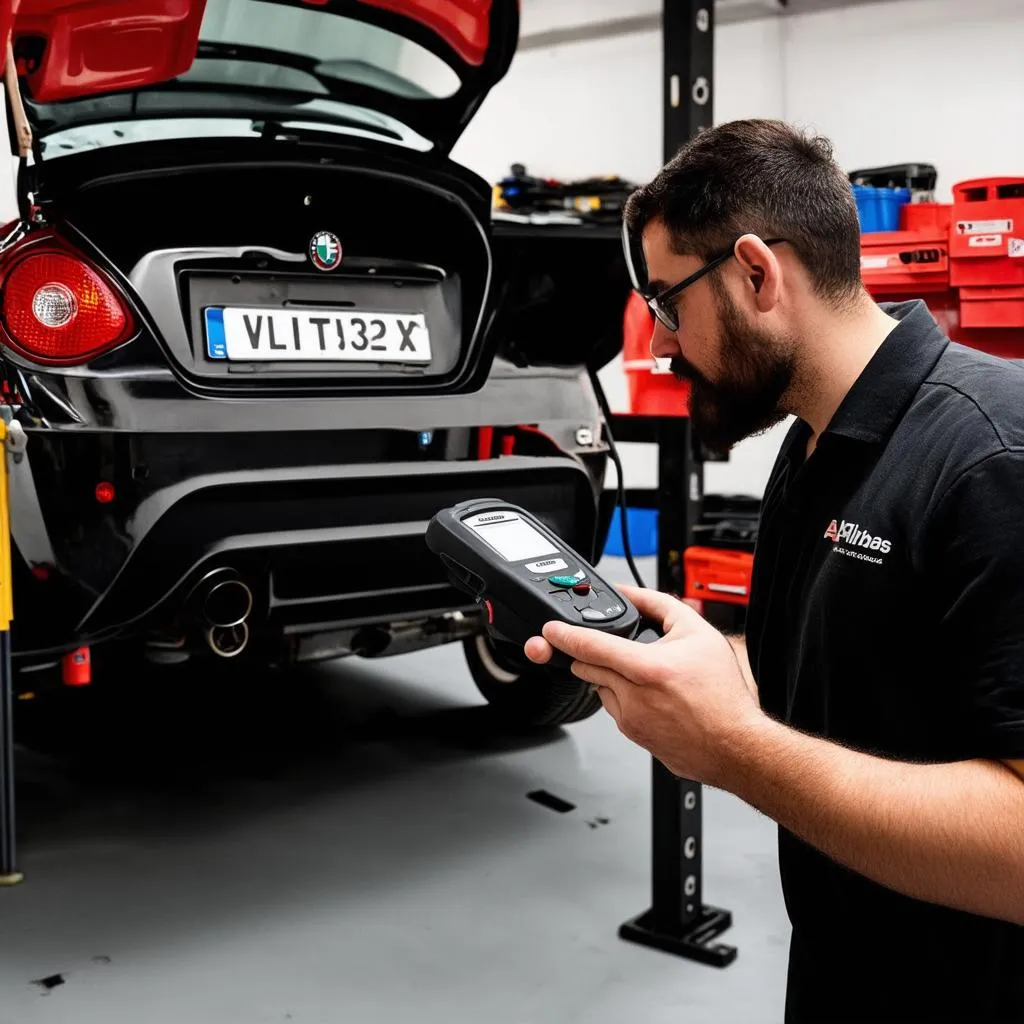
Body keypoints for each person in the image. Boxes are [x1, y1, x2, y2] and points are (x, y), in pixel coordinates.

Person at [525, 119, 1024, 1023]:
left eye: (670, 304)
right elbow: (851, 685)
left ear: (756, 273)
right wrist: (698, 667)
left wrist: (735, 751)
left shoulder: (993, 457)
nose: (665, 344)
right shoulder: (815, 447)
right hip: (848, 971)